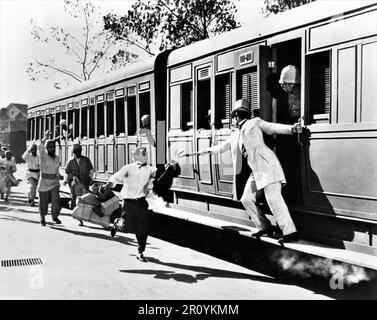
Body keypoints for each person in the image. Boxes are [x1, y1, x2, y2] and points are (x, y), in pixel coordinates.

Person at [199, 99, 303, 244]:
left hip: (268, 168)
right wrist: (205, 151)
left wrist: (291, 128)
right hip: (256, 173)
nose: (233, 121)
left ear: (236, 117)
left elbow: (272, 127)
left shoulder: (255, 122)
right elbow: (222, 147)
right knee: (247, 199)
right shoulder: (236, 134)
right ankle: (265, 226)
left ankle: (290, 233)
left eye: (233, 117)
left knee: (274, 200)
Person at [105, 146, 157, 262]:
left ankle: (141, 251)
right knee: (126, 226)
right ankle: (117, 223)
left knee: (143, 227)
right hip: (128, 202)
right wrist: (108, 184)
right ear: (136, 156)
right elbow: (116, 177)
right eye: (143, 154)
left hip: (141, 202)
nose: (146, 156)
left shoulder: (149, 169)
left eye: (146, 154)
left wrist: (169, 166)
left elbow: (159, 174)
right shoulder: (128, 168)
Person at [64, 143, 94, 226]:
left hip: (84, 182)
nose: (77, 153)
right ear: (73, 152)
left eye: (79, 151)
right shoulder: (70, 161)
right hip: (74, 184)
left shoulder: (86, 160)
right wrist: (72, 177)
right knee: (76, 198)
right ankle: (78, 217)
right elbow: (66, 172)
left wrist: (90, 178)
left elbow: (91, 170)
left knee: (84, 199)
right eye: (76, 151)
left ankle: (82, 216)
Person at [37, 131, 62, 226]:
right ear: (47, 148)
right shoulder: (43, 156)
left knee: (56, 201)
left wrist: (59, 175)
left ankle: (55, 216)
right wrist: (45, 137)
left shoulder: (56, 157)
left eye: (54, 147)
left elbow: (56, 169)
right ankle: (42, 217)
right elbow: (40, 147)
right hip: (44, 182)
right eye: (51, 147)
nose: (53, 149)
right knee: (43, 202)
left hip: (54, 182)